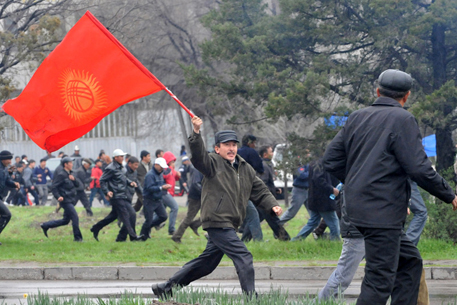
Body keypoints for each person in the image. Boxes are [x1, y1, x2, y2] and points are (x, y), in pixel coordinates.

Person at [323, 69, 457, 305]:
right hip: (381, 212)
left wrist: (358, 182)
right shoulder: (403, 119)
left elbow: (331, 160)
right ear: (407, 96)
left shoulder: (357, 116)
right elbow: (418, 168)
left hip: (359, 209)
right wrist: (449, 195)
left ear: (377, 91)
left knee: (409, 262)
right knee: (379, 281)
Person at [151, 116, 282, 299]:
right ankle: (252, 298)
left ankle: (166, 288)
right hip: (217, 220)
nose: (231, 148)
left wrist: (273, 205)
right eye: (226, 145)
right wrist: (196, 132)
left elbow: (259, 189)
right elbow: (198, 157)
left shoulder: (244, 167)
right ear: (217, 148)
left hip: (230, 222)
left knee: (206, 264)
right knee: (244, 256)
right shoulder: (212, 163)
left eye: (234, 145)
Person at [90, 157, 142, 241]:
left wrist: (131, 183)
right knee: (129, 215)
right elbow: (103, 180)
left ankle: (96, 228)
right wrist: (107, 192)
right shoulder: (111, 168)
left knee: (113, 216)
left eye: (123, 156)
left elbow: (125, 179)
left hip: (123, 196)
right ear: (116, 157)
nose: (122, 158)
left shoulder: (122, 168)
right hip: (117, 196)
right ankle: (133, 236)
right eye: (120, 156)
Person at [291, 159, 340, 241]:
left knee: (313, 222)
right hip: (324, 200)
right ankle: (336, 242)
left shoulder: (314, 162)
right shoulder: (320, 163)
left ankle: (295, 241)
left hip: (315, 199)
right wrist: (331, 189)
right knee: (334, 224)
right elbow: (319, 180)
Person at [41, 157, 83, 241]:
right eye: (70, 163)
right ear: (65, 165)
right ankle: (77, 238)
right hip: (65, 200)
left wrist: (74, 179)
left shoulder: (71, 173)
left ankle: (46, 225)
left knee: (65, 221)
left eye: (72, 162)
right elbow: (54, 187)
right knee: (75, 217)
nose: (72, 164)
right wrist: (58, 196)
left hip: (71, 199)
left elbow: (78, 185)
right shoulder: (61, 175)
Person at [238, 134, 264, 242]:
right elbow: (260, 168)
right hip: (247, 186)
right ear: (249, 143)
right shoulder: (252, 152)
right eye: (254, 143)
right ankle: (258, 240)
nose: (255, 145)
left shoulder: (237, 152)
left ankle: (245, 239)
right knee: (253, 213)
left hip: (236, 186)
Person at [139, 157, 170, 239]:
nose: (162, 168)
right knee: (148, 220)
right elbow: (149, 188)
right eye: (161, 166)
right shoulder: (150, 175)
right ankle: (142, 235)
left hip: (158, 200)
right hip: (149, 200)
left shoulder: (160, 174)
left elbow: (161, 184)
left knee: (163, 216)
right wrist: (161, 188)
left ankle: (147, 230)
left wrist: (165, 188)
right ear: (156, 165)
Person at [172, 166, 203, 243]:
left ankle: (195, 224)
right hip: (195, 197)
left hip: (202, 195)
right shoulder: (198, 168)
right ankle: (176, 236)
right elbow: (196, 183)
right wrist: (204, 192)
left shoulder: (206, 167)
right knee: (189, 217)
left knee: (210, 213)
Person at [0, 151, 21, 245]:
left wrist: (14, 184)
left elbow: (7, 180)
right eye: (9, 159)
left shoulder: (4, 168)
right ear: (3, 159)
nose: (10, 161)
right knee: (6, 214)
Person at [161, 151, 181, 235]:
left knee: (161, 212)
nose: (173, 164)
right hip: (166, 193)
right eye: (172, 162)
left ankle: (150, 224)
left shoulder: (171, 170)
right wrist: (172, 170)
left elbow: (175, 178)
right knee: (175, 207)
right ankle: (171, 229)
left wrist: (178, 174)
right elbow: (165, 176)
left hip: (170, 193)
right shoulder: (166, 169)